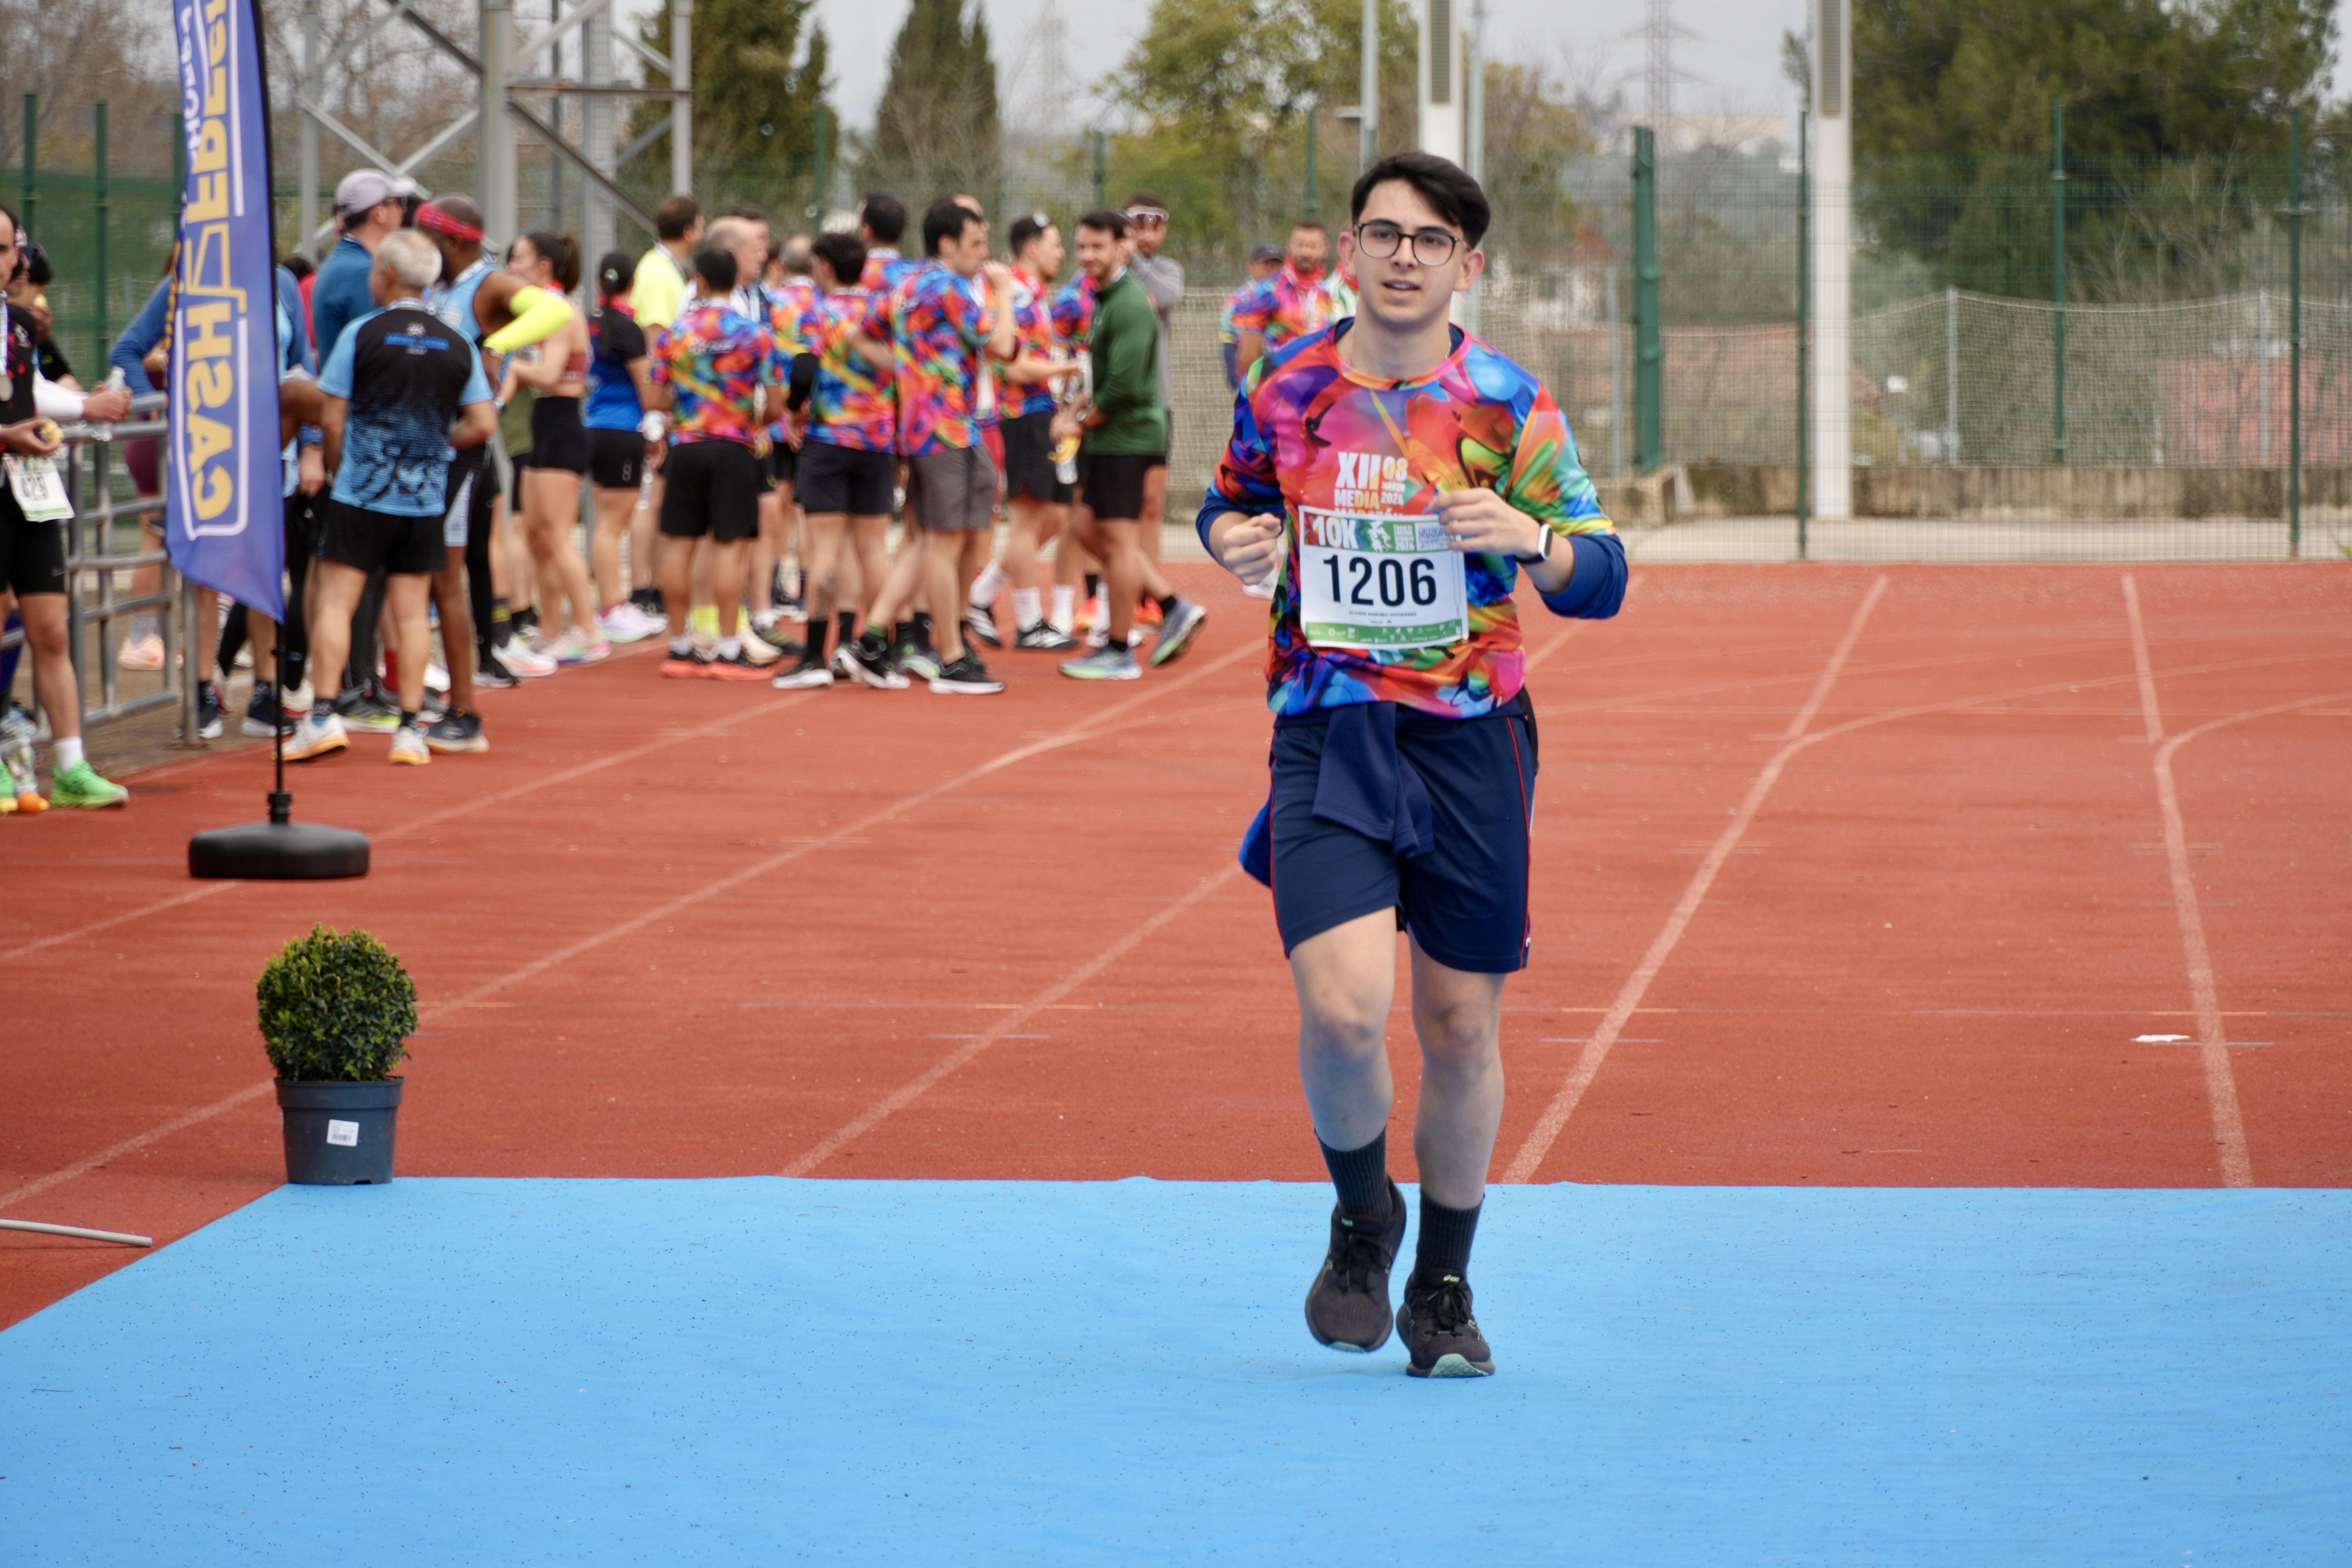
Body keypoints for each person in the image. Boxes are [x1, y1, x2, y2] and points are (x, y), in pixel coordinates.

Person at [1199, 152, 1628, 1378]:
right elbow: (1226, 502)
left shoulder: (1506, 404)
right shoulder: (1287, 386)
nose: (1400, 255)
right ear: (1347, 252)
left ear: (1466, 265)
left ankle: (1442, 1280)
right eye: (1380, 233)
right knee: (1341, 1011)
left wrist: (1531, 536)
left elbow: (1603, 573)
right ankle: (1360, 1217)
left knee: (1456, 1021)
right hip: (1329, 727)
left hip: (1469, 736)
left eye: (1427, 240)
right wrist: (1229, 534)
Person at [286, 229, 497, 767]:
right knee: (410, 613)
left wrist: (339, 465)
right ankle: (409, 730)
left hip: (362, 490)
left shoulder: (363, 333)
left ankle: (323, 715)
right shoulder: (457, 343)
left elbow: (332, 415)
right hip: (424, 498)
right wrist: (434, 447)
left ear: (385, 275)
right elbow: (483, 423)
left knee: (337, 600)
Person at [414, 193, 577, 731]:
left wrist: (494, 346)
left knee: (446, 575)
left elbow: (555, 310)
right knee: (433, 573)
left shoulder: (488, 284)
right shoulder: (444, 286)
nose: (423, 247)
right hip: (432, 440)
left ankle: (465, 701)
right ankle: (444, 682)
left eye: (430, 238)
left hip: (463, 445)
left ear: (455, 241)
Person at [838, 199, 1015, 697]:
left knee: (925, 541)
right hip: (945, 430)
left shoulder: (907, 284)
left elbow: (859, 335)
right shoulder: (951, 288)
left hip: (934, 426)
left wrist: (909, 374)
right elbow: (1001, 345)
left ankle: (873, 640)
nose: (984, 255)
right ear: (947, 244)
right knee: (942, 542)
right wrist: (1002, 293)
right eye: (977, 244)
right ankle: (953, 660)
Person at [0, 202, 135, 806]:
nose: (1, 262)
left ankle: (73, 767)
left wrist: (90, 408)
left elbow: (33, 392)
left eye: (6, 250)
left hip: (28, 492)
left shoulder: (21, 325)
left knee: (51, 631)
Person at [1053, 210, 1205, 681]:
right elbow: (1098, 373)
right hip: (1109, 439)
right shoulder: (1105, 300)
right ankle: (1170, 603)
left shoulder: (1131, 305)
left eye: (1098, 246)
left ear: (1123, 247)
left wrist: (1078, 423)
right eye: (1081, 247)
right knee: (1082, 527)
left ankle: (1119, 649)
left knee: (1119, 545)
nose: (1087, 256)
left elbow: (1123, 390)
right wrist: (1074, 412)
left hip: (1128, 440)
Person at [646, 246, 787, 681]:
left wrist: (687, 406)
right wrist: (750, 418)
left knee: (678, 546)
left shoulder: (675, 334)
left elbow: (653, 398)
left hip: (687, 447)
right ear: (737, 282)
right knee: (729, 548)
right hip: (733, 449)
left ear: (699, 282)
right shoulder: (756, 334)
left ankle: (681, 648)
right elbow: (778, 403)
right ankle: (728, 649)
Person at [771, 232, 899, 691]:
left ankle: (815, 657)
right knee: (871, 552)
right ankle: (878, 653)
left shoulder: (818, 313)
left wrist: (792, 411)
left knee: (824, 551)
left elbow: (803, 370)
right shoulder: (881, 311)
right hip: (877, 441)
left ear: (824, 266)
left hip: (828, 441)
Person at [965, 212, 1077, 653]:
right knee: (1030, 521)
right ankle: (1030, 623)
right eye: (1056, 244)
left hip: (1042, 414)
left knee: (1055, 517)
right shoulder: (1014, 296)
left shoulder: (1034, 294)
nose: (1062, 252)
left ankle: (979, 595)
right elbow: (1013, 367)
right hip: (1021, 415)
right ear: (1032, 249)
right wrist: (1067, 367)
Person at [498, 231, 608, 670]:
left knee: (559, 537)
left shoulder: (561, 312)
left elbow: (548, 374)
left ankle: (589, 630)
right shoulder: (540, 311)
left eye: (519, 259)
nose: (511, 268)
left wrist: (503, 360)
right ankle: (550, 629)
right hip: (542, 424)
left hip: (562, 426)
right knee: (541, 538)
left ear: (544, 266)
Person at [584, 250, 664, 643]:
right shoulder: (628, 329)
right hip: (622, 432)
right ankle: (613, 607)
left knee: (606, 524)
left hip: (595, 428)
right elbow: (648, 392)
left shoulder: (590, 323)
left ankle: (614, 605)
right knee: (612, 527)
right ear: (633, 285)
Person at [1122, 195, 1184, 593]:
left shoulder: (1166, 270)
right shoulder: (1108, 272)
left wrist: (1133, 259)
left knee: (1151, 505)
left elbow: (1167, 296)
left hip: (1157, 403)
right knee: (1109, 511)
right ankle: (1105, 595)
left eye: (1154, 227)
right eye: (1137, 227)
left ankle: (1149, 592)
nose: (1146, 236)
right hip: (1114, 405)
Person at [1229, 218, 1339, 383]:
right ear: (1289, 246)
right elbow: (1248, 354)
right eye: (1300, 245)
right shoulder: (1268, 290)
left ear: (1326, 250)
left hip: (1315, 391)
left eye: (1313, 247)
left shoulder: (1327, 294)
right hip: (1276, 390)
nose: (1306, 253)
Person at [629, 194, 704, 334]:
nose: (702, 235)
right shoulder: (659, 274)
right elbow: (655, 337)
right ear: (689, 232)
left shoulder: (661, 266)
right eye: (701, 228)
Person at [1222, 242, 1283, 389]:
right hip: (1249, 370)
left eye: (1276, 266)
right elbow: (1230, 343)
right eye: (1267, 265)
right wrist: (1236, 384)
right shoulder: (1240, 300)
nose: (1272, 271)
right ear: (1251, 267)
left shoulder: (1287, 298)